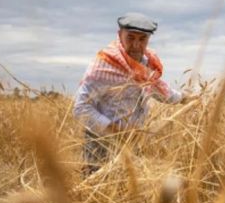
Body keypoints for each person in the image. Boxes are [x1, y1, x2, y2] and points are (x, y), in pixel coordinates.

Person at [73, 12, 193, 175]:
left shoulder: (145, 63)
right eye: (130, 38)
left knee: (124, 193)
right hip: (100, 145)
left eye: (142, 39)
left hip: (132, 144)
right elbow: (81, 108)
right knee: (95, 193)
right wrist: (117, 132)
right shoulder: (103, 64)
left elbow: (158, 89)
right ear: (119, 35)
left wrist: (184, 98)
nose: (136, 45)